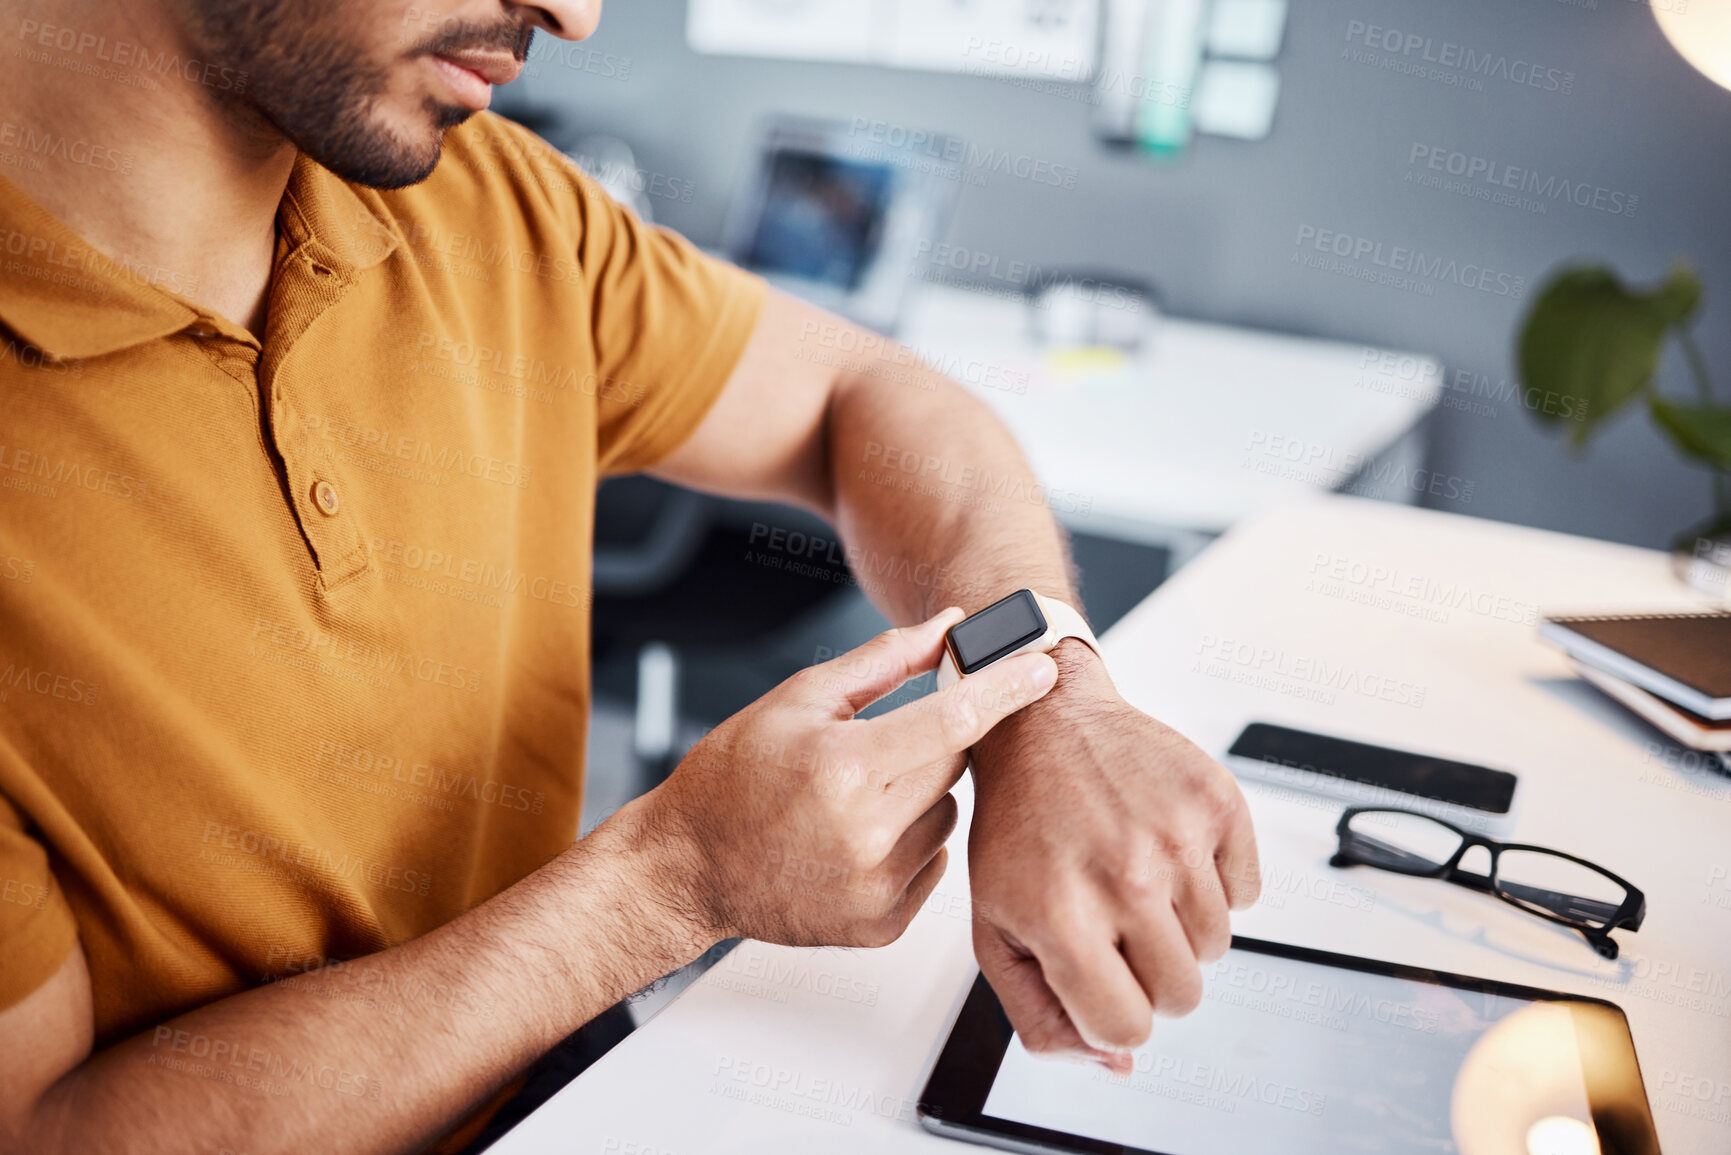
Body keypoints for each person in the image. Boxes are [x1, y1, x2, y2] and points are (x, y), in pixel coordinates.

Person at [0, 1, 1261, 1151]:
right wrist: (675, 882)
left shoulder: (492, 206)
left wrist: (1049, 701)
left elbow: (863, 393)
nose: (577, 15)